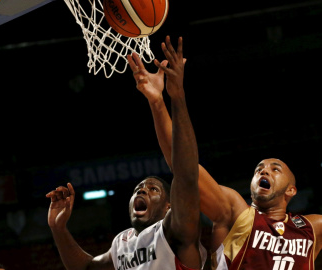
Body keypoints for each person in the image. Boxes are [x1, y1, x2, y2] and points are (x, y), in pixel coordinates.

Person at [127, 37, 322, 270]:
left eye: (274, 168)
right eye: (258, 169)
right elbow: (184, 168)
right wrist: (162, 101)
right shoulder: (234, 211)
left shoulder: (314, 228)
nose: (263, 171)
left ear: (291, 190)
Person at [46, 35, 207, 270]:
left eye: (153, 189)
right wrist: (58, 229)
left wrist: (177, 97)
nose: (142, 189)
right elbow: (86, 269)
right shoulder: (122, 243)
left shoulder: (175, 231)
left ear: (169, 207)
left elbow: (186, 174)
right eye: (139, 188)